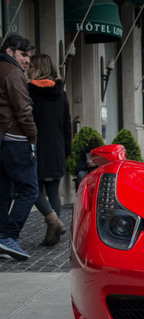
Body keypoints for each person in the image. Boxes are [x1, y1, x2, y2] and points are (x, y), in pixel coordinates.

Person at [0, 34, 38, 260]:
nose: (27, 60)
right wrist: (33, 137)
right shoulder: (12, 72)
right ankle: (8, 236)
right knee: (30, 189)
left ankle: (3, 240)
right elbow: (24, 109)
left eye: (29, 56)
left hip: (3, 140)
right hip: (16, 139)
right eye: (23, 54)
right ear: (9, 51)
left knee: (3, 192)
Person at [27, 53, 71, 246]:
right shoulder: (61, 94)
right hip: (57, 148)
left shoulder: (30, 92)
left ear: (37, 68)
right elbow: (66, 124)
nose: (27, 69)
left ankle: (54, 222)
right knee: (53, 191)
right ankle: (53, 233)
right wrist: (67, 151)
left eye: (30, 66)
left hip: (36, 148)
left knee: (29, 188)